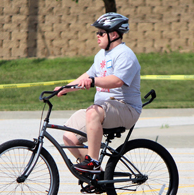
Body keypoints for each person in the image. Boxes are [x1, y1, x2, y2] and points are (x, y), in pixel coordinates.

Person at [55, 12, 142, 173]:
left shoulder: (125, 54)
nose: (97, 35)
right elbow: (87, 76)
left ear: (114, 34)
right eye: (97, 32)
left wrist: (94, 81)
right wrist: (64, 88)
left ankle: (93, 162)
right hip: (103, 108)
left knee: (92, 112)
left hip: (126, 108)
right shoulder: (100, 56)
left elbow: (117, 80)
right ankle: (96, 176)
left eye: (101, 32)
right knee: (69, 137)